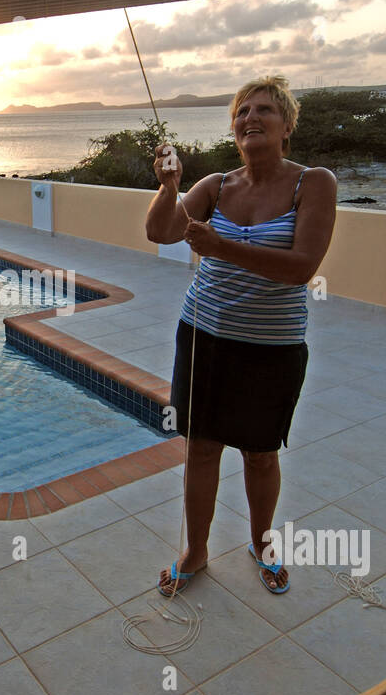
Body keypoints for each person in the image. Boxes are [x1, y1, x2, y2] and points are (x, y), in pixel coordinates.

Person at [144, 75, 336, 595]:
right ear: (233, 128)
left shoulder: (313, 183)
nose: (251, 118)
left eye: (265, 111)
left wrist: (221, 247)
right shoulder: (217, 185)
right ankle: (197, 550)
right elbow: (160, 232)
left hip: (271, 348)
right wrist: (169, 188)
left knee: (260, 452)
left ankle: (262, 542)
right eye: (242, 112)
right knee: (202, 449)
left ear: (287, 125)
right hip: (203, 337)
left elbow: (301, 268)